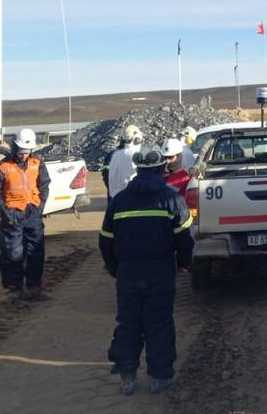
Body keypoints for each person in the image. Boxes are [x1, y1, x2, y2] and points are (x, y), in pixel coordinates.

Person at [100, 149, 195, 395]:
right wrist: (184, 263)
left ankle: (127, 377)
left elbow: (105, 240)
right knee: (159, 323)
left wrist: (114, 267)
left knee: (129, 323)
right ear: (161, 169)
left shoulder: (119, 201)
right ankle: (159, 377)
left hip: (128, 272)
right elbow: (185, 238)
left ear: (138, 171)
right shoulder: (171, 198)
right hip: (160, 271)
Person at [0, 128, 51, 302]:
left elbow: (44, 186)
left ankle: (33, 286)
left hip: (33, 213)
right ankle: (14, 288)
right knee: (12, 252)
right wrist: (6, 211)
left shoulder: (37, 164)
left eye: (27, 152)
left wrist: (40, 206)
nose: (23, 155)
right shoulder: (2, 167)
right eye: (21, 151)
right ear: (14, 147)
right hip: (12, 214)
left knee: (35, 251)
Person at [107, 126, 144, 199]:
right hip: (130, 197)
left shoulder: (116, 154)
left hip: (115, 198)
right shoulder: (134, 155)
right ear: (137, 140)